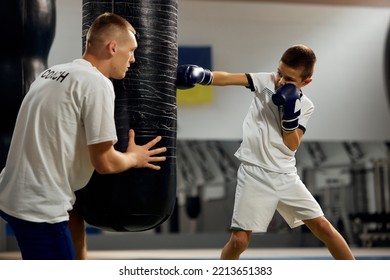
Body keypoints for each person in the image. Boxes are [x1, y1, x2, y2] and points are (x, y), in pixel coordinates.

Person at [0, 12, 167, 260]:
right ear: (112, 47)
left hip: (10, 194)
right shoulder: (97, 83)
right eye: (131, 50)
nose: (133, 59)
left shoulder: (51, 73)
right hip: (40, 209)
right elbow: (105, 163)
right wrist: (135, 157)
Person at [176, 44, 355, 260]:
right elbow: (229, 78)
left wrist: (290, 116)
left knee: (324, 229)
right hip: (254, 173)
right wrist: (203, 76)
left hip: (285, 176)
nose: (280, 80)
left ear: (305, 82)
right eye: (280, 72)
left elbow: (292, 144)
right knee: (239, 241)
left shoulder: (306, 105)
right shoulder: (266, 81)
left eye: (289, 79)